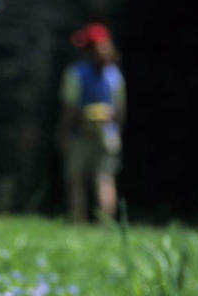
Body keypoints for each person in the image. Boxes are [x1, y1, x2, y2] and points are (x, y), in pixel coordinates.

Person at [58, 23, 126, 223]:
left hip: (80, 133)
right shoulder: (116, 76)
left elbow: (69, 109)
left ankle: (79, 222)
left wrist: (63, 134)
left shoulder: (76, 73)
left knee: (77, 180)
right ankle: (106, 225)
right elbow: (120, 110)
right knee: (104, 179)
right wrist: (117, 132)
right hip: (108, 134)